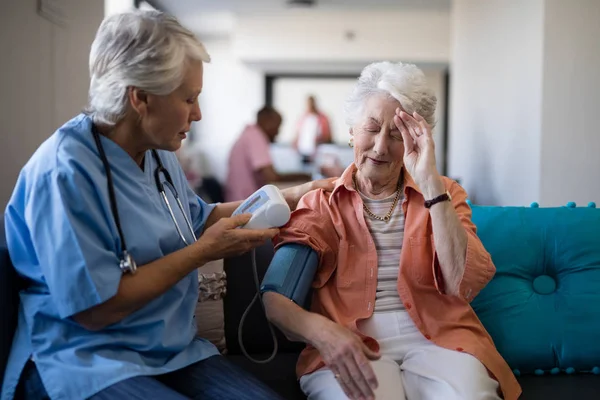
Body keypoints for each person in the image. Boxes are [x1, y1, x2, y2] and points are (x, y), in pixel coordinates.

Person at [1, 10, 334, 400]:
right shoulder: (63, 172)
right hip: (86, 358)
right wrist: (203, 252)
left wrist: (295, 193)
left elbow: (198, 217)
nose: (198, 113)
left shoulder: (158, 155)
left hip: (171, 352)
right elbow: (95, 311)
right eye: (188, 99)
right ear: (140, 98)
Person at [262, 62, 521, 400]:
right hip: (350, 336)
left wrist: (430, 183)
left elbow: (461, 283)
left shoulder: (444, 193)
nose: (381, 147)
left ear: (417, 139)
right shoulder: (323, 202)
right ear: (352, 130)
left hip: (441, 336)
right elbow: (275, 300)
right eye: (372, 128)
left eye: (398, 134)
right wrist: (323, 333)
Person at [225, 106, 312, 202]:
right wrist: (304, 178)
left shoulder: (249, 134)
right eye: (277, 126)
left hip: (239, 199)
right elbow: (272, 177)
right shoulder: (255, 137)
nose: (278, 132)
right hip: (243, 202)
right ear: (267, 121)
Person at [293, 95, 332, 163]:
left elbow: (328, 136)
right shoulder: (303, 117)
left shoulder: (322, 118)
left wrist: (319, 141)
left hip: (318, 153)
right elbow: (298, 133)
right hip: (303, 151)